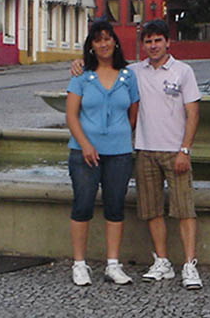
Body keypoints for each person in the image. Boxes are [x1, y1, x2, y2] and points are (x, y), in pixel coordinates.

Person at [69, 18, 203, 289]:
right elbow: (74, 114)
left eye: (158, 41)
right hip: (117, 151)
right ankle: (86, 264)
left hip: (148, 151)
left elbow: (185, 113)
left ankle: (181, 265)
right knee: (99, 206)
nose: (153, 46)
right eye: (148, 41)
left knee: (170, 209)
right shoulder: (114, 73)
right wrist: (77, 63)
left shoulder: (164, 72)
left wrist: (184, 149)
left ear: (168, 42)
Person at [65, 20, 139, 287]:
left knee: (115, 208)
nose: (104, 43)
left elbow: (133, 113)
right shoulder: (81, 75)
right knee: (83, 205)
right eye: (98, 40)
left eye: (108, 38)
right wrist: (85, 143)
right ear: (91, 46)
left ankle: (112, 264)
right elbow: (71, 115)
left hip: (118, 153)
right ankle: (79, 264)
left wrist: (117, 136)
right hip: (83, 153)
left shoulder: (128, 76)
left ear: (115, 42)